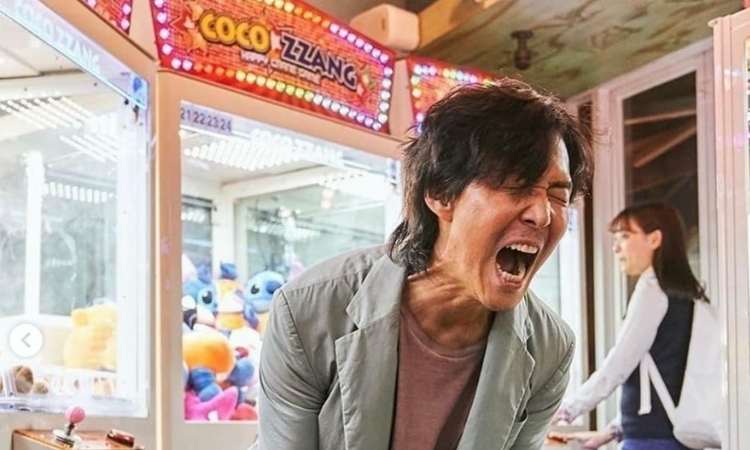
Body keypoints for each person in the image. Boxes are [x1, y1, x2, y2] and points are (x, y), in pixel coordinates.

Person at [254, 80, 593, 450]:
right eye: (517, 185)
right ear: (441, 193)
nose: (542, 214)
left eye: (558, 196)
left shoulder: (550, 349)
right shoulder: (309, 312)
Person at [549, 203, 708, 450]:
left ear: (654, 239)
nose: (615, 248)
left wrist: (565, 410)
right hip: (673, 436)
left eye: (624, 236)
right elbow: (662, 370)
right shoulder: (688, 294)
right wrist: (613, 430)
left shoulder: (652, 289)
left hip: (650, 440)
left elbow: (619, 364)